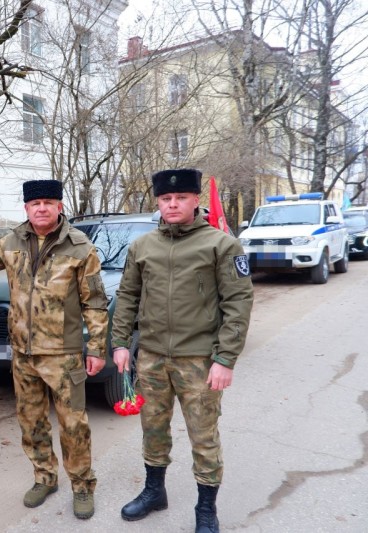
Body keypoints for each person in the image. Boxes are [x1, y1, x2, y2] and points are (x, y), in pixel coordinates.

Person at [110, 168, 253, 533]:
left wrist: (225, 359)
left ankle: (206, 509)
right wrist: (121, 343)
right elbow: (127, 296)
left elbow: (238, 302)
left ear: (195, 201)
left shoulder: (221, 245)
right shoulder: (142, 246)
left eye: (180, 198)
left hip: (199, 361)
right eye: (165, 199)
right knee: (153, 427)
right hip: (153, 357)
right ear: (158, 202)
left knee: (203, 435)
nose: (172, 204)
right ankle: (154, 491)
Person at [0, 179, 108, 520]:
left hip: (64, 354)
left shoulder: (80, 247)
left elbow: (95, 303)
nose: (41, 208)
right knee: (31, 421)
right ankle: (44, 477)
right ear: (26, 208)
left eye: (48, 202)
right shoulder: (12, 241)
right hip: (23, 355)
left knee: (74, 425)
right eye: (34, 203)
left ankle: (83, 485)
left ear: (59, 207)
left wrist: (97, 348)